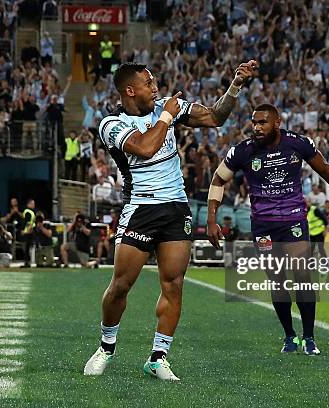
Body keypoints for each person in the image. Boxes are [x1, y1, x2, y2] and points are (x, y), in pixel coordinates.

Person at [84, 60, 257, 380]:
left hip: (176, 207)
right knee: (121, 285)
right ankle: (106, 346)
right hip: (141, 208)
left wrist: (236, 85)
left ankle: (158, 357)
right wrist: (166, 115)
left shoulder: (167, 107)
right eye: (149, 83)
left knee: (174, 283)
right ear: (130, 90)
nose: (156, 87)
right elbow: (145, 148)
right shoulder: (111, 124)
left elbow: (215, 117)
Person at [207, 104, 329, 356]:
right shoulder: (243, 151)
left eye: (262, 122)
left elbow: (325, 168)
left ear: (277, 122)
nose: (256, 127)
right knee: (278, 281)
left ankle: (309, 337)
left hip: (294, 220)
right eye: (254, 122)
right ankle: (289, 336)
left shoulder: (298, 143)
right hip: (263, 226)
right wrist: (211, 218)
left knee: (303, 277)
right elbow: (219, 178)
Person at [21, 199, 37, 268]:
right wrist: (23, 230)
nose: (34, 205)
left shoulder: (30, 212)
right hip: (27, 231)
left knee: (27, 247)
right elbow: (26, 222)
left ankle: (27, 261)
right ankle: (27, 261)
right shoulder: (28, 212)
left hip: (29, 231)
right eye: (32, 204)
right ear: (28, 204)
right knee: (27, 247)